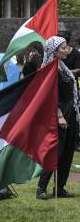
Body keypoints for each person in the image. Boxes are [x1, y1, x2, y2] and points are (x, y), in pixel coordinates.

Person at [36, 36, 79, 199]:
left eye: (66, 47)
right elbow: (49, 96)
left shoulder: (62, 67)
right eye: (63, 47)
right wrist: (59, 115)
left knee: (67, 151)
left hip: (70, 113)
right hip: (58, 115)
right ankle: (41, 189)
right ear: (54, 51)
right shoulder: (50, 70)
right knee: (55, 151)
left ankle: (59, 187)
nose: (66, 50)